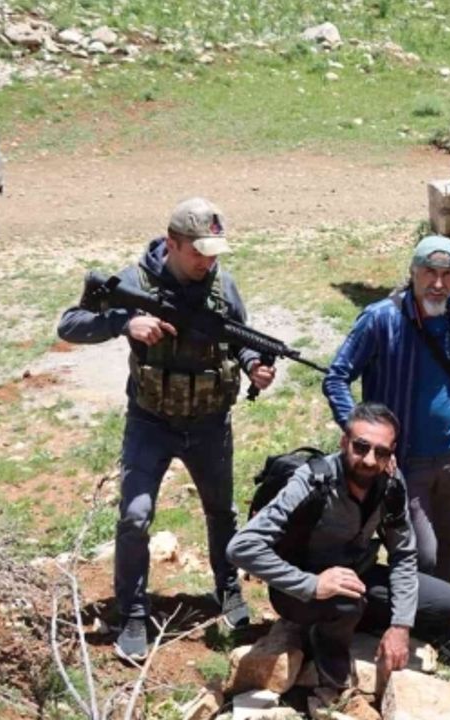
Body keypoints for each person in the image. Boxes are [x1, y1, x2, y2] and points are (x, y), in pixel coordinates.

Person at [56, 198, 277, 662]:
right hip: (150, 421)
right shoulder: (133, 281)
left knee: (222, 513)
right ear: (172, 243)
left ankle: (227, 589)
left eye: (214, 252)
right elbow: (70, 325)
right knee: (135, 516)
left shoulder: (223, 286)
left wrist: (255, 364)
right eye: (197, 251)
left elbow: (237, 339)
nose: (207, 261)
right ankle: (133, 612)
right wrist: (124, 322)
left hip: (210, 424)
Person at [227, 402, 450, 688]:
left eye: (381, 452)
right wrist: (311, 584)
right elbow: (241, 547)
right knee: (347, 602)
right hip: (300, 587)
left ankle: (354, 620)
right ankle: (327, 639)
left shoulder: (390, 483)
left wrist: (401, 625)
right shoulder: (312, 482)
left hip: (357, 575)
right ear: (344, 442)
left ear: (391, 453)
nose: (369, 459)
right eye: (361, 447)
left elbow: (403, 555)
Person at [323, 235, 450, 583]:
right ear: (412, 272)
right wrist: (366, 441)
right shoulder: (380, 319)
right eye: (429, 272)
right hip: (403, 460)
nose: (438, 284)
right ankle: (409, 620)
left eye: (448, 274)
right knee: (422, 555)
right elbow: (336, 377)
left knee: (448, 544)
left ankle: (437, 623)